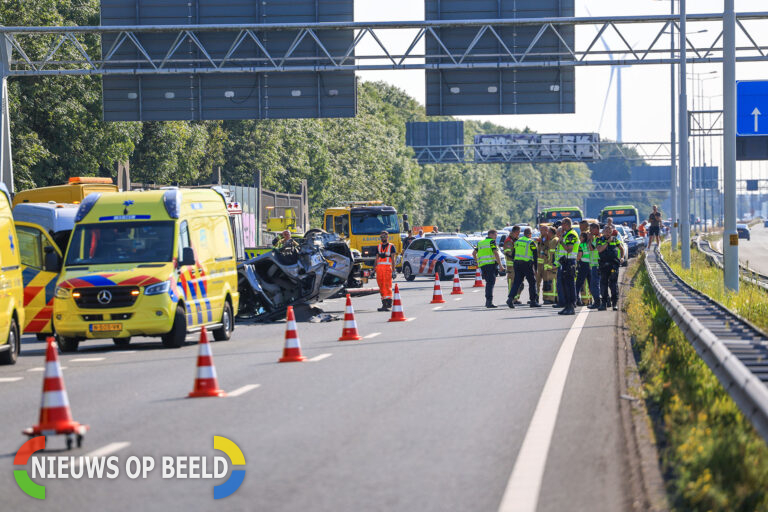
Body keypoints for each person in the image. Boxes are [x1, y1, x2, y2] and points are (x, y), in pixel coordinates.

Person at [507, 227, 540, 308]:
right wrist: (536, 269)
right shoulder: (531, 242)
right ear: (530, 234)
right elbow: (535, 256)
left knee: (516, 282)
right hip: (527, 265)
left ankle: (510, 299)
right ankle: (533, 301)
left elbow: (513, 254)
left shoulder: (517, 241)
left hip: (517, 264)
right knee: (532, 282)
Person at [473, 229, 505, 308]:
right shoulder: (492, 242)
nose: (495, 237)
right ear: (491, 234)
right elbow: (496, 253)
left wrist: (477, 262)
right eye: (495, 235)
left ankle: (488, 301)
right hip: (490, 265)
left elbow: (473, 253)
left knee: (488, 283)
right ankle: (489, 302)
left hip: (483, 266)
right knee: (490, 283)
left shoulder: (480, 243)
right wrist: (501, 265)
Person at [596, 225, 623, 311]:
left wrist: (622, 257)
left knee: (613, 284)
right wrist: (607, 242)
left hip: (613, 265)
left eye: (609, 232)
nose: (608, 233)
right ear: (603, 232)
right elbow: (600, 250)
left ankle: (614, 303)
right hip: (603, 265)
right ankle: (604, 303)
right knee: (603, 284)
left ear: (611, 232)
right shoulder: (599, 240)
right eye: (606, 231)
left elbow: (621, 249)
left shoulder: (615, 239)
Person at [558, 218, 579, 315]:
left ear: (567, 224)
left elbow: (569, 249)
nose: (562, 226)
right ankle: (567, 306)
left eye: (563, 224)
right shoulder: (566, 234)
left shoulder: (571, 235)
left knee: (570, 285)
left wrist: (561, 241)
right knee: (565, 285)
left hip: (570, 262)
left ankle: (571, 306)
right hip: (565, 262)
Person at [376, 231, 396, 312]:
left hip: (387, 269)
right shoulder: (378, 246)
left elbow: (393, 259)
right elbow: (376, 258)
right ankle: (384, 304)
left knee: (387, 286)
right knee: (381, 286)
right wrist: (374, 269)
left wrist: (394, 271)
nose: (383, 238)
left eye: (384, 236)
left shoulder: (391, 246)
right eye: (381, 237)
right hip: (379, 270)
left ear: (387, 237)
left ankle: (389, 304)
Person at [503, 226, 523, 303]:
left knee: (520, 284)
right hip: (511, 266)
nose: (518, 234)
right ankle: (512, 299)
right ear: (514, 232)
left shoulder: (515, 240)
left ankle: (515, 298)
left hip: (517, 265)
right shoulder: (509, 241)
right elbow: (508, 253)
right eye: (517, 233)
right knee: (512, 283)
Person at [540, 226, 559, 304]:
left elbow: (554, 255)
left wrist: (553, 265)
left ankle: (552, 299)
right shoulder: (551, 240)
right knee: (550, 282)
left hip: (552, 266)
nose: (546, 233)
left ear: (551, 233)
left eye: (548, 232)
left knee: (553, 282)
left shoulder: (554, 241)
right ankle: (551, 298)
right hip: (550, 265)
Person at [574, 232, 593, 307]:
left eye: (580, 237)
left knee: (578, 283)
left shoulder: (581, 245)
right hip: (590, 265)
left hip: (583, 265)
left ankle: (575, 300)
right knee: (591, 284)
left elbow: (579, 255)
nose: (579, 238)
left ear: (584, 238)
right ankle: (591, 300)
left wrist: (576, 260)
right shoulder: (589, 245)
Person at [587, 222, 602, 310]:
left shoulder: (598, 238)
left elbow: (591, 248)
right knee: (597, 284)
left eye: (591, 229)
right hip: (594, 263)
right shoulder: (597, 238)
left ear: (596, 229)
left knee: (594, 284)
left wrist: (589, 239)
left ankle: (597, 302)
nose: (590, 231)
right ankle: (600, 301)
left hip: (597, 264)